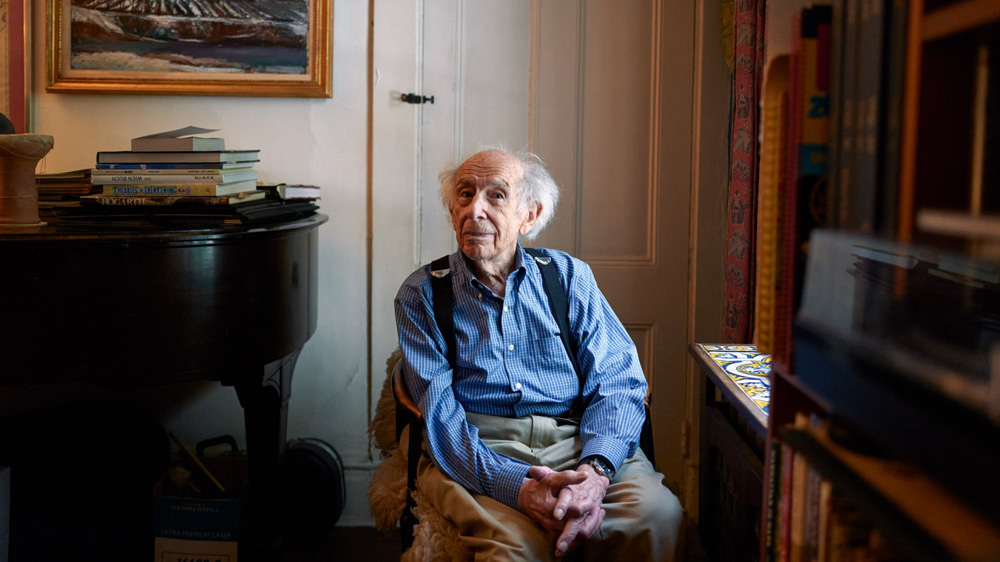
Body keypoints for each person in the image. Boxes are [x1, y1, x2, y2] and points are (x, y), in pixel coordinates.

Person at [394, 148, 682, 561]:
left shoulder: (568, 277)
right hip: (481, 449)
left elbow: (618, 380)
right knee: (515, 550)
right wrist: (520, 488)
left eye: (496, 196)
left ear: (529, 215)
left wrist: (595, 473)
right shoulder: (421, 294)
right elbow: (441, 420)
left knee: (656, 517)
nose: (474, 209)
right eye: (464, 194)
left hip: (579, 438)